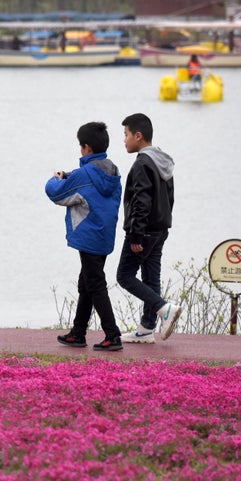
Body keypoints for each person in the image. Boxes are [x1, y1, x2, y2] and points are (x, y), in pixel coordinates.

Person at [46, 122, 123, 351]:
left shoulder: (85, 174)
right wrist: (73, 175)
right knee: (87, 283)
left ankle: (113, 335)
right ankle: (77, 333)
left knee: (95, 284)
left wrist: (57, 177)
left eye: (81, 146)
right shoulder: (113, 171)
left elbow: (56, 193)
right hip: (105, 236)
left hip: (88, 237)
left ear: (87, 148)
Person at [116, 112, 180, 343]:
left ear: (138, 135)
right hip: (161, 229)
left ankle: (164, 308)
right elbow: (169, 197)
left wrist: (135, 234)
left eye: (126, 134)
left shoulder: (143, 162)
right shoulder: (162, 160)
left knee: (124, 275)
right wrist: (163, 223)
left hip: (143, 231)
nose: (124, 140)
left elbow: (141, 200)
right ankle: (146, 328)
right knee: (151, 278)